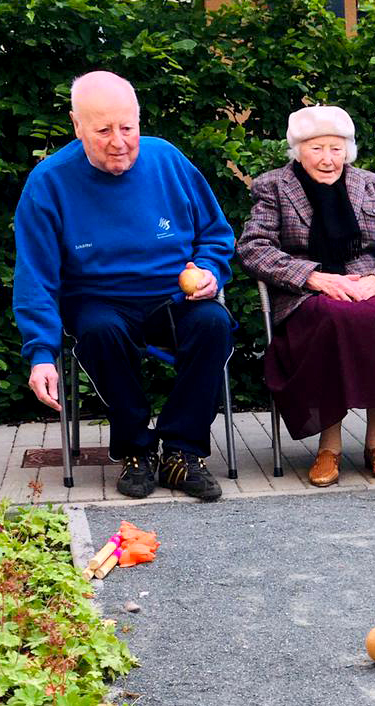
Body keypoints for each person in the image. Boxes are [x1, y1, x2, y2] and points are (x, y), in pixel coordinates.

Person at [13, 70, 235, 501]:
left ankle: (182, 451)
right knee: (99, 331)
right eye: (103, 130)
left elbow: (215, 232)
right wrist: (40, 353)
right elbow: (36, 274)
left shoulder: (168, 160)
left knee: (213, 324)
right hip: (99, 300)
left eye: (127, 128)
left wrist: (209, 269)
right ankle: (135, 449)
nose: (119, 141)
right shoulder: (49, 181)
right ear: (77, 126)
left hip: (173, 295)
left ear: (139, 120)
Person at [237, 106, 375, 487]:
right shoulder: (273, 186)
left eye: (336, 149)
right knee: (332, 320)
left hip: (364, 285)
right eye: (316, 148)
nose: (327, 159)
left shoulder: (370, 184)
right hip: (306, 293)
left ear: (348, 151)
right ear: (298, 151)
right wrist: (312, 278)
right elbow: (253, 247)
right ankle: (330, 446)